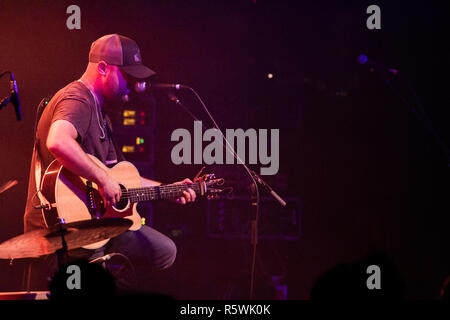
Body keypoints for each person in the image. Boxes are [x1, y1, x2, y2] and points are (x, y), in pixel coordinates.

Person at [23, 34, 197, 293]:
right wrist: (102, 179)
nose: (133, 85)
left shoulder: (101, 114)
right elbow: (58, 141)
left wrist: (167, 189)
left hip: (94, 223)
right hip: (64, 228)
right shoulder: (77, 98)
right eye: (126, 76)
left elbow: (121, 181)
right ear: (103, 68)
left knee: (163, 251)